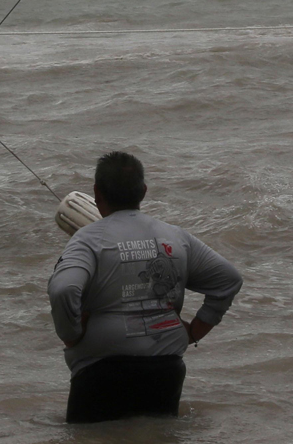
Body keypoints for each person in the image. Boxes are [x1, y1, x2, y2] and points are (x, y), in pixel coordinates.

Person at [47, 151, 243, 424]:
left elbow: (64, 289)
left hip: (101, 371)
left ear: (96, 193)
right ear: (143, 191)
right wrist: (196, 329)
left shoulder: (87, 240)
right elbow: (229, 279)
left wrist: (72, 334)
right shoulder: (175, 237)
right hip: (165, 369)